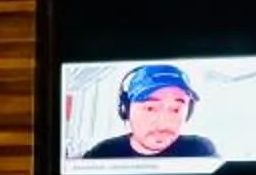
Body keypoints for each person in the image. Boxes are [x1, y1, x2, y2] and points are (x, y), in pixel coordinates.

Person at [82, 62, 218, 160]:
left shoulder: (199, 151)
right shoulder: (103, 154)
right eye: (150, 108)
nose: (164, 123)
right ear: (126, 109)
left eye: (176, 109)